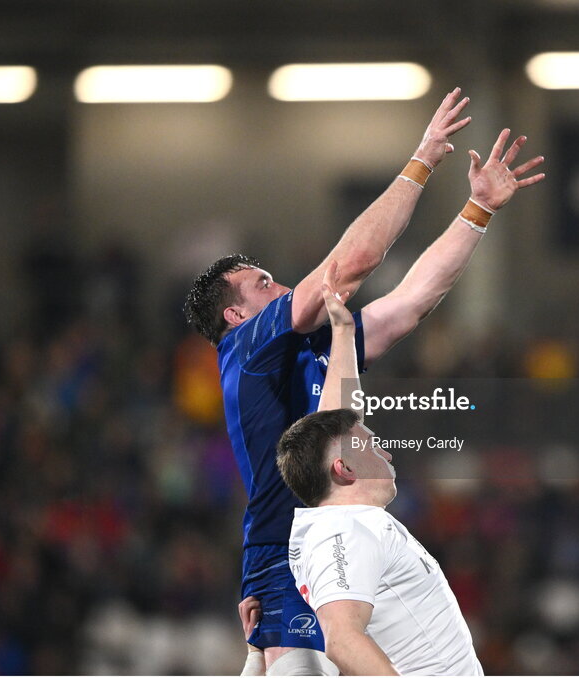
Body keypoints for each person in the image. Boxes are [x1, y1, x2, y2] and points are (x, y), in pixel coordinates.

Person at [183, 89, 543, 675]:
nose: (281, 288)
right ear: (234, 315)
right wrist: (424, 157)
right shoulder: (246, 347)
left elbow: (408, 305)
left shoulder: (319, 346)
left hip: (323, 533)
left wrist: (477, 210)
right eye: (263, 283)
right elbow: (349, 267)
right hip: (291, 548)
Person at [276, 262, 482, 675]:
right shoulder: (343, 531)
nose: (383, 449)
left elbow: (339, 419)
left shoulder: (344, 520)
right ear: (345, 470)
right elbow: (342, 639)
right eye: (368, 445)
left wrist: (344, 334)